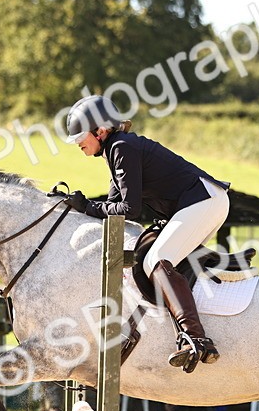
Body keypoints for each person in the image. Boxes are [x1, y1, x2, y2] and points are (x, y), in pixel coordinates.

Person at [62, 95, 231, 373]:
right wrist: (82, 208)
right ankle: (187, 334)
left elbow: (129, 208)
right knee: (160, 260)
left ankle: (195, 338)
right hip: (202, 202)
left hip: (204, 200)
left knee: (157, 260)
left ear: (100, 130)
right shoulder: (115, 150)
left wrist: (88, 206)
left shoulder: (122, 147)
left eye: (81, 136)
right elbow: (112, 204)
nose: (78, 144)